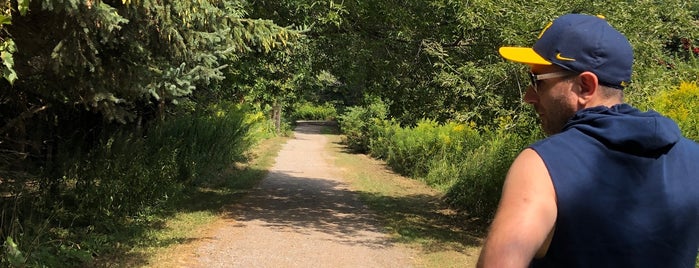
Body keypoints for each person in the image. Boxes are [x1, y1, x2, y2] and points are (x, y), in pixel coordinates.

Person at [476, 13, 699, 267]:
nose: (528, 96)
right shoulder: (694, 160)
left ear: (585, 86)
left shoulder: (542, 166)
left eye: (537, 81)